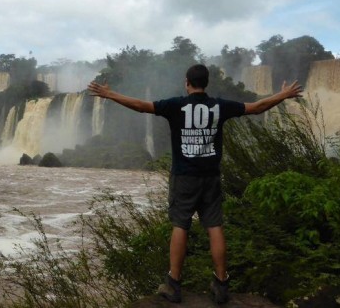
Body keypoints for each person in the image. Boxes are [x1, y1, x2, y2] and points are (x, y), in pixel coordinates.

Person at [88, 64, 303, 304]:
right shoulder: (219, 106)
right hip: (210, 176)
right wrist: (283, 95)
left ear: (187, 82)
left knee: (180, 225)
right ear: (206, 83)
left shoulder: (175, 105)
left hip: (184, 176)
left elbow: (141, 106)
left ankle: (174, 283)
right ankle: (221, 283)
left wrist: (110, 94)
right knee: (214, 226)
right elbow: (256, 108)